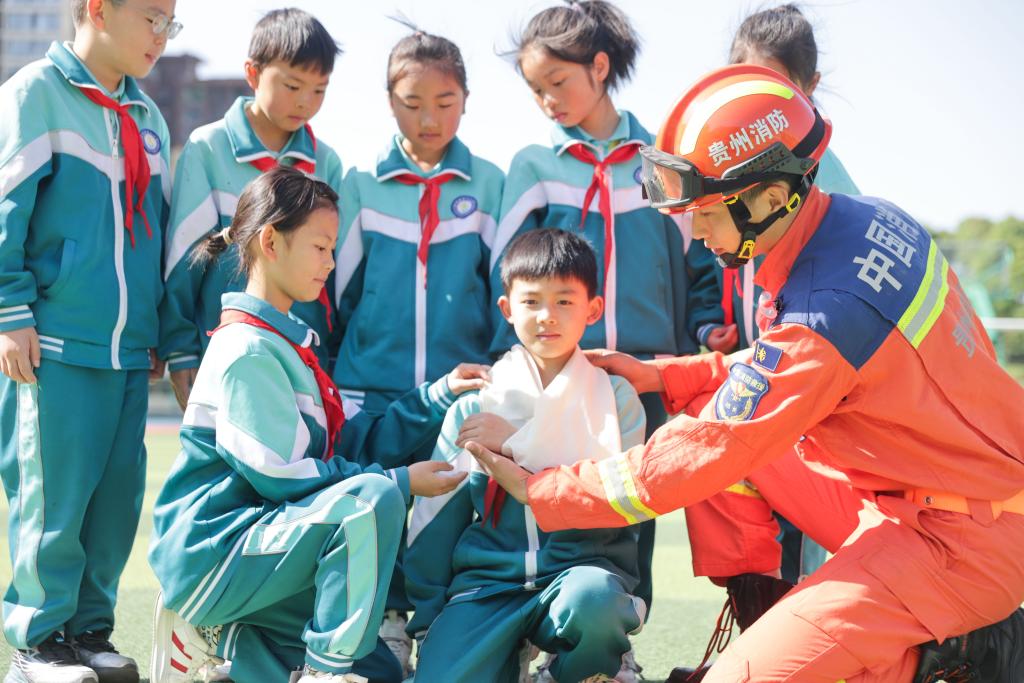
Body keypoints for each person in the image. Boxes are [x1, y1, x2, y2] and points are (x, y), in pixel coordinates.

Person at [467, 64, 1024, 682]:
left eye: (707, 210)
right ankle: (776, 623)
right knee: (704, 404)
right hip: (938, 497)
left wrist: (543, 489)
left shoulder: (823, 311)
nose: (695, 228)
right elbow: (790, 368)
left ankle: (958, 651)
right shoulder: (860, 221)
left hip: (953, 543)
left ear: (770, 197)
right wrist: (665, 376)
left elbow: (708, 449)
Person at [147, 168, 490, 683]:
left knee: (379, 672)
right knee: (370, 501)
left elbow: (356, 440)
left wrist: (438, 394)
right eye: (321, 247)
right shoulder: (246, 349)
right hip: (215, 553)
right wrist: (400, 481)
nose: (331, 263)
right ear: (270, 242)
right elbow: (281, 476)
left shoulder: (290, 346)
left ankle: (225, 641)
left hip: (267, 548)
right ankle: (321, 673)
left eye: (332, 249)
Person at [489, 3, 720, 677]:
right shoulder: (534, 164)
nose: (547, 100)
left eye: (557, 82)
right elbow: (507, 270)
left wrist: (706, 329)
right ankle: (537, 629)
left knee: (634, 510)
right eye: (536, 89)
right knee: (540, 497)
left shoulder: (663, 160)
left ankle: (615, 646)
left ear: (598, 67)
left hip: (644, 373)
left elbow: (701, 260)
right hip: (556, 373)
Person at [0, 0, 177, 680]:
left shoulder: (149, 118)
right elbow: (6, 209)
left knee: (115, 501)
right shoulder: (34, 95)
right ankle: (39, 640)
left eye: (171, 23)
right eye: (153, 18)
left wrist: (157, 327)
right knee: (53, 498)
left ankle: (89, 631)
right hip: (54, 344)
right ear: (99, 9)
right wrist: (9, 310)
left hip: (129, 351)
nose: (161, 36)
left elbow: (156, 234)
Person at [329, 24, 504, 675]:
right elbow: (335, 293)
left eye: (444, 101)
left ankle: (442, 622)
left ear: (467, 100)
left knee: (447, 512)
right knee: (380, 504)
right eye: (411, 102)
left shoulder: (490, 183)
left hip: (459, 390)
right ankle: (387, 622)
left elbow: (505, 293)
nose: (428, 118)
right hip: (371, 386)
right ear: (388, 101)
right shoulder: (360, 185)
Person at [405, 229, 646, 683]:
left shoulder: (616, 399)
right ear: (507, 309)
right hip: (488, 583)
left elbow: (624, 499)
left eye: (564, 301)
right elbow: (434, 517)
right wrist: (429, 617)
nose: (546, 316)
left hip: (581, 574)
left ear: (593, 309)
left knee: (594, 602)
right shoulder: (476, 406)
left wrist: (517, 442)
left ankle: (570, 668)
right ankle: (501, 654)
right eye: (531, 301)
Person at [159, 8, 343, 410]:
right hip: (224, 355)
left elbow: (331, 271)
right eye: (293, 86)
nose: (305, 102)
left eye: (319, 90)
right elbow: (183, 259)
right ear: (253, 73)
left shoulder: (326, 163)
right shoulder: (208, 149)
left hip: (304, 361)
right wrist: (181, 349)